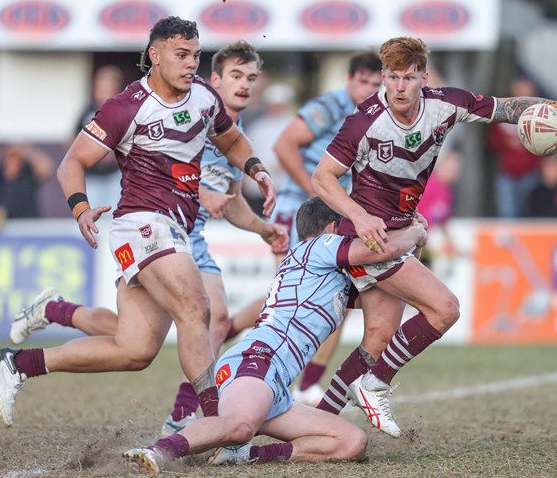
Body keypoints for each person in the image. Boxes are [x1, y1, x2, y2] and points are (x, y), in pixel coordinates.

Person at [0, 16, 277, 428]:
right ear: (155, 56)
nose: (190, 64)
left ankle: (20, 363)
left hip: (172, 229)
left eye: (195, 55)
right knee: (199, 309)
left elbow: (230, 139)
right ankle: (215, 423)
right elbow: (71, 163)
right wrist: (80, 208)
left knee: (135, 350)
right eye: (181, 55)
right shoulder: (126, 106)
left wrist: (257, 169)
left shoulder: (203, 97)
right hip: (142, 225)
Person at [311, 36, 557, 437]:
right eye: (392, 77)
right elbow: (322, 178)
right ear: (382, 77)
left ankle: (316, 425)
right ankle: (374, 385)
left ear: (423, 76)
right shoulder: (364, 120)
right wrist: (358, 215)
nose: (400, 87)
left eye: (408, 77)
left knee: (378, 340)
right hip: (373, 240)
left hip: (398, 235)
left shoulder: (445, 104)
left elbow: (508, 109)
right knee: (445, 309)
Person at [122, 197, 428, 473]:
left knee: (351, 443)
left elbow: (388, 295)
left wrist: (414, 248)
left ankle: (246, 456)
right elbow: (384, 250)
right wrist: (414, 232)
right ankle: (157, 451)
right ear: (334, 229)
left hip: (275, 383)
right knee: (239, 426)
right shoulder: (317, 247)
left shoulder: (322, 272)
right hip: (257, 359)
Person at [226, 52, 383, 406]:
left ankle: (231, 331)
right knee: (314, 296)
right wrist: (320, 192)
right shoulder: (330, 106)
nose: (370, 89)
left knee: (318, 295)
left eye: (376, 84)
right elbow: (284, 146)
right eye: (364, 82)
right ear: (349, 79)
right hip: (303, 211)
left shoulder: (372, 115)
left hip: (328, 212)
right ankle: (297, 382)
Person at [486, 76, 543, 218]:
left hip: (530, 172)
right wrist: (507, 141)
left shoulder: (541, 113)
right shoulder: (504, 110)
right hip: (507, 173)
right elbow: (492, 141)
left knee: (529, 212)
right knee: (508, 213)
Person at [74, 65, 126, 211]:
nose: (103, 92)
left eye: (108, 87)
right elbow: (71, 143)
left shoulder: (123, 111)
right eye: (100, 87)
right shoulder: (87, 113)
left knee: (115, 216)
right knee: (89, 215)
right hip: (92, 177)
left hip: (115, 176)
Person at [0, 144, 53, 224]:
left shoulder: (27, 174)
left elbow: (46, 166)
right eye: (10, 158)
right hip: (4, 228)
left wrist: (26, 151)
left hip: (30, 226)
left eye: (16, 159)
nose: (12, 162)